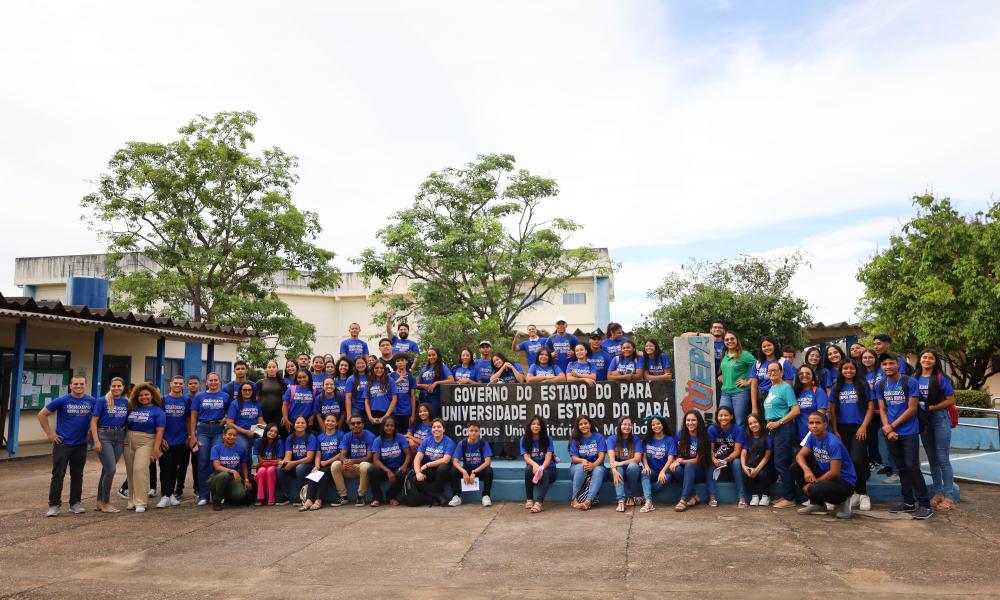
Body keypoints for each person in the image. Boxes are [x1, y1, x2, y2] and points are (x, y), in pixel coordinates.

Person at [877, 353, 932, 519]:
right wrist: (888, 429)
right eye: (885, 364)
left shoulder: (909, 382)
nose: (888, 366)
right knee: (901, 468)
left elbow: (912, 409)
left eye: (891, 363)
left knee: (912, 467)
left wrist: (892, 426)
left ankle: (925, 505)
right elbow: (883, 409)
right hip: (891, 432)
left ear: (898, 364)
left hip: (908, 432)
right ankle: (908, 503)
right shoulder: (880, 384)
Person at [38, 375, 95, 517]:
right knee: (58, 475)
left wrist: (90, 433)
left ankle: (75, 503)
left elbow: (96, 419)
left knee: (77, 475)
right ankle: (54, 505)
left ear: (85, 385)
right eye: (75, 384)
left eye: (81, 384)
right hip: (62, 444)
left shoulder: (91, 401)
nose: (79, 386)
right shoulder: (63, 400)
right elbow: (42, 415)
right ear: (70, 386)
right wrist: (50, 435)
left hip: (81, 444)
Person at [827, 360, 873, 511]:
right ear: (841, 370)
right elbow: (832, 411)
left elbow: (870, 408)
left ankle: (863, 493)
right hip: (841, 429)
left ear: (856, 370)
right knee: (845, 463)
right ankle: (852, 493)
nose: (848, 371)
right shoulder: (836, 387)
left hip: (859, 428)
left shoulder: (862, 384)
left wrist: (864, 426)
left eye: (851, 368)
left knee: (857, 459)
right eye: (845, 368)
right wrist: (835, 430)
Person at [915, 350, 957, 513]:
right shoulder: (915, 378)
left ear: (935, 361)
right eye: (924, 357)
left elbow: (951, 400)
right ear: (920, 359)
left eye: (930, 358)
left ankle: (949, 496)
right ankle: (938, 493)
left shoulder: (941, 378)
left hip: (939, 418)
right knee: (932, 458)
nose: (927, 360)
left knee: (942, 458)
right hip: (924, 420)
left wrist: (932, 407)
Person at [793, 412, 856, 519]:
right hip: (826, 475)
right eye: (811, 423)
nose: (814, 426)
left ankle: (843, 502)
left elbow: (835, 473)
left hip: (844, 481)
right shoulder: (812, 436)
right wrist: (807, 470)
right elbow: (800, 455)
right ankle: (817, 504)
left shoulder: (833, 442)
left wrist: (815, 483)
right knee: (795, 468)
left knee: (813, 488)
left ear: (825, 424)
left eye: (818, 423)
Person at [761, 362, 800, 509]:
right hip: (774, 428)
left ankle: (790, 498)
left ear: (781, 372)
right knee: (779, 462)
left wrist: (779, 422)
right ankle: (785, 495)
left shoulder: (786, 387)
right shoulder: (772, 388)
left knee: (781, 462)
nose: (772, 373)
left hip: (784, 428)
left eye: (775, 370)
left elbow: (795, 410)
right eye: (769, 371)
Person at [123, 383, 166, 513]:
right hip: (128, 441)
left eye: (147, 394)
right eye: (141, 395)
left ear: (152, 396)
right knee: (130, 471)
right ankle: (132, 500)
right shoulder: (132, 408)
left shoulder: (158, 411)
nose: (144, 397)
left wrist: (156, 449)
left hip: (147, 441)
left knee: (139, 469)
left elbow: (160, 431)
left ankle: (141, 502)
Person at [190, 372, 229, 506]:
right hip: (203, 431)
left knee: (216, 463)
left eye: (215, 380)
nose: (213, 382)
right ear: (206, 382)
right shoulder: (199, 396)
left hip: (218, 431)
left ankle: (217, 494)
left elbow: (230, 414)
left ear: (219, 382)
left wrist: (224, 421)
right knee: (202, 463)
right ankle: (204, 495)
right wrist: (192, 435)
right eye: (210, 380)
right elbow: (193, 417)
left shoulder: (225, 396)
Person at [90, 377, 128, 513]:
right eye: (114, 386)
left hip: (120, 436)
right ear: (110, 386)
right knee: (111, 469)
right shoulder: (102, 401)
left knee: (106, 470)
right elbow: (94, 421)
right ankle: (106, 503)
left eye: (119, 386)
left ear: (123, 387)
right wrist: (95, 441)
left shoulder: (125, 401)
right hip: (104, 435)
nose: (116, 388)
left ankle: (100, 502)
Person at [157, 375, 191, 509]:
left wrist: (189, 436)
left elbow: (188, 419)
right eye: (175, 383)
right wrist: (160, 438)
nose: (177, 385)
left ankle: (171, 494)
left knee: (175, 468)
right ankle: (164, 495)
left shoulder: (187, 400)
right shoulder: (163, 400)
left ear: (184, 386)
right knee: (165, 467)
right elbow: (158, 420)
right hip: (166, 439)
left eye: (180, 383)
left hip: (181, 439)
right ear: (170, 384)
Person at [671, 410, 715, 511]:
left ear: (698, 421)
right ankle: (693, 495)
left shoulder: (704, 436)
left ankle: (684, 499)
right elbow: (674, 454)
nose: (690, 423)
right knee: (676, 469)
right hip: (685, 471)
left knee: (689, 465)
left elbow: (698, 460)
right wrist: (675, 461)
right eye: (688, 420)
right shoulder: (680, 434)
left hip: (699, 470)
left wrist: (681, 461)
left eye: (693, 420)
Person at [300, 414, 345, 511]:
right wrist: (316, 466)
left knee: (324, 472)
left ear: (336, 423)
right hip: (322, 463)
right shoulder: (320, 437)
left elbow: (341, 454)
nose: (330, 423)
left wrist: (327, 462)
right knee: (314, 473)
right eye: (328, 421)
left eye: (333, 421)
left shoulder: (341, 435)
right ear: (324, 422)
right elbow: (318, 454)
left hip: (335, 464)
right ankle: (308, 500)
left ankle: (319, 500)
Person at [708, 406, 748, 508]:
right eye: (720, 416)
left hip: (730, 459)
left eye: (726, 415)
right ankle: (712, 497)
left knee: (736, 462)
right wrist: (713, 459)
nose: (723, 418)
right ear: (717, 417)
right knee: (709, 463)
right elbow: (710, 449)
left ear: (731, 416)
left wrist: (727, 460)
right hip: (717, 459)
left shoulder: (737, 429)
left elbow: (737, 451)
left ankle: (742, 497)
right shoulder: (712, 429)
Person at [332, 415, 376, 505]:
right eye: (353, 423)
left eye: (358, 423)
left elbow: (369, 457)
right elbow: (342, 455)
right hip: (352, 467)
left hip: (364, 468)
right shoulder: (347, 436)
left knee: (364, 464)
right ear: (349, 426)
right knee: (335, 464)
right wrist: (345, 461)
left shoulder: (370, 436)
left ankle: (361, 496)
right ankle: (343, 497)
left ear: (363, 425)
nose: (355, 425)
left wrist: (352, 461)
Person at [448, 422, 494, 506]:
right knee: (453, 470)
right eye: (471, 430)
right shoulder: (462, 443)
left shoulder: (483, 443)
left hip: (478, 471)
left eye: (476, 431)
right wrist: (464, 472)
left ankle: (486, 495)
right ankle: (456, 496)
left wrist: (474, 472)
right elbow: (455, 461)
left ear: (479, 432)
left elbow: (488, 461)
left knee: (489, 470)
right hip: (466, 471)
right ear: (467, 431)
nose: (473, 433)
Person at [369, 418, 412, 507]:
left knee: (402, 474)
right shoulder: (378, 440)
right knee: (372, 470)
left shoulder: (400, 437)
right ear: (383, 427)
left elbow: (408, 454)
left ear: (395, 427)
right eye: (387, 426)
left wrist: (404, 465)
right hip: (384, 469)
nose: (389, 428)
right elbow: (375, 459)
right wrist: (388, 471)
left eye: (391, 426)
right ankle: (377, 498)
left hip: (398, 468)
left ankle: (391, 496)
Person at [208, 425, 252, 511]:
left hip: (233, 478)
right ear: (224, 435)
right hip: (217, 477)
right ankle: (217, 500)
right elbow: (217, 467)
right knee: (225, 475)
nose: (232, 437)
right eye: (229, 434)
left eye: (234, 435)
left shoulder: (241, 449)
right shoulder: (216, 448)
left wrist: (246, 480)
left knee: (240, 494)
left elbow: (244, 466)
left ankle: (226, 496)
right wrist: (232, 471)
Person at [413, 418, 456, 506]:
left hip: (442, 470)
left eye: (439, 427)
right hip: (430, 470)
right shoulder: (427, 440)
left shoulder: (449, 442)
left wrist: (427, 465)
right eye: (434, 427)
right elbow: (417, 458)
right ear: (431, 429)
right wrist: (418, 472)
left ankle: (437, 496)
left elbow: (446, 460)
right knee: (415, 478)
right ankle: (439, 497)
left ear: (443, 429)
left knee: (442, 468)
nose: (436, 429)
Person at [639, 415, 676, 513]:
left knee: (665, 479)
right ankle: (648, 502)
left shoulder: (669, 440)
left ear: (663, 424)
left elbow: (670, 458)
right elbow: (643, 455)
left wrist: (663, 471)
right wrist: (646, 466)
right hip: (652, 470)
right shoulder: (647, 439)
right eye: (653, 425)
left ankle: (644, 496)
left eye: (658, 423)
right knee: (644, 473)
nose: (656, 426)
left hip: (666, 471)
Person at [750, 336, 796, 416]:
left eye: (769, 345)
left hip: (777, 399)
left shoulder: (783, 362)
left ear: (774, 345)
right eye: (764, 346)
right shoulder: (758, 363)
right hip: (760, 398)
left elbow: (789, 386)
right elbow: (753, 387)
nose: (766, 348)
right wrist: (754, 408)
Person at [277, 416, 317, 506]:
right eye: (298, 423)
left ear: (306, 425)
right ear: (294, 425)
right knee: (279, 468)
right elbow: (288, 457)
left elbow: (309, 458)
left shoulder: (311, 437)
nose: (300, 425)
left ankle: (302, 495)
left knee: (300, 468)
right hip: (295, 465)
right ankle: (285, 496)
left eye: (303, 423)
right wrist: (284, 462)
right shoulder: (290, 438)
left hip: (308, 465)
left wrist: (292, 463)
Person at [859, 348, 888, 474]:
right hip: (868, 411)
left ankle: (887, 463)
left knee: (883, 437)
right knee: (870, 437)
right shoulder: (860, 374)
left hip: (883, 410)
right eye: (864, 358)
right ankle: (872, 460)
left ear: (875, 359)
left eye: (870, 357)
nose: (867, 360)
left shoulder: (882, 371)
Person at [568, 416, 606, 510]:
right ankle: (574, 500)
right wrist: (582, 461)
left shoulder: (598, 437)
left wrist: (593, 465)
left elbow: (602, 457)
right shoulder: (575, 439)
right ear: (577, 426)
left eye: (585, 423)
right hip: (577, 467)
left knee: (599, 470)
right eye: (580, 424)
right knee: (582, 467)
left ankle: (588, 501)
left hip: (596, 465)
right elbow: (574, 458)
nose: (583, 426)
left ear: (590, 424)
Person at [719, 331, 757, 426]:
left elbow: (758, 367)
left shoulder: (745, 355)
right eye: (726, 339)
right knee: (723, 420)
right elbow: (724, 370)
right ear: (724, 342)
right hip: (725, 393)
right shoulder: (725, 355)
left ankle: (742, 441)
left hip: (740, 393)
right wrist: (721, 376)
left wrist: (748, 381)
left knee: (740, 422)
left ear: (737, 340)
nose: (729, 341)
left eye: (732, 339)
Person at [520, 416, 557, 513]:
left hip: (549, 469)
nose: (536, 426)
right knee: (528, 469)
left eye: (538, 424)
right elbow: (527, 458)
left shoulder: (548, 439)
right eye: (533, 424)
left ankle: (539, 503)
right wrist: (535, 465)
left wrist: (540, 469)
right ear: (529, 426)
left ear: (542, 427)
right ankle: (529, 499)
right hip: (533, 469)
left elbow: (548, 459)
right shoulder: (524, 439)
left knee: (544, 472)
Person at [607, 416, 643, 512]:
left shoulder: (636, 439)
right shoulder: (612, 439)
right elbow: (611, 458)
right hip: (616, 471)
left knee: (633, 466)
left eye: (629, 425)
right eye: (624, 424)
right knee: (618, 469)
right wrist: (614, 470)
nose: (627, 427)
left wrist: (621, 462)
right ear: (619, 426)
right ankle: (621, 501)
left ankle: (630, 496)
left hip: (632, 472)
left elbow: (637, 459)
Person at [741, 413, 773, 507]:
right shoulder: (748, 437)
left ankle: (765, 496)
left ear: (760, 422)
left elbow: (767, 457)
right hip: (751, 464)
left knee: (762, 474)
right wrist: (744, 466)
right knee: (745, 473)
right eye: (750, 423)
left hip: (765, 467)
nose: (753, 425)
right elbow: (743, 453)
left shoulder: (767, 437)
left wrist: (757, 470)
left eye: (755, 422)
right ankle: (754, 495)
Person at [226, 382, 265, 452]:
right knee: (244, 450)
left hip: (255, 433)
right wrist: (246, 432)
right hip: (240, 433)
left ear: (253, 391)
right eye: (244, 390)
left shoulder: (256, 403)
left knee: (258, 451)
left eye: (249, 390)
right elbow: (229, 423)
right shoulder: (235, 403)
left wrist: (269, 428)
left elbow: (261, 421)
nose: (247, 392)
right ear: (240, 391)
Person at [416, 347, 454, 418]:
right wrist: (423, 386)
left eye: (433, 355)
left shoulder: (442, 366)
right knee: (423, 418)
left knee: (432, 417)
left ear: (438, 355)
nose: (431, 357)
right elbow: (416, 384)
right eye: (429, 355)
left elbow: (451, 380)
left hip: (435, 397)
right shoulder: (424, 369)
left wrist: (436, 383)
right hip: (423, 397)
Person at [793, 366, 828, 442]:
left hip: (815, 434)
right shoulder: (794, 392)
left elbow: (821, 414)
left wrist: (811, 433)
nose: (804, 375)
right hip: (799, 433)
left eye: (808, 373)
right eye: (801, 373)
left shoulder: (819, 391)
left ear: (813, 377)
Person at [253, 423, 284, 506]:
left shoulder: (279, 442)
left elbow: (279, 461)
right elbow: (260, 461)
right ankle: (260, 498)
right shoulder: (258, 441)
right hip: (262, 467)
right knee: (262, 470)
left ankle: (271, 498)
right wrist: (268, 462)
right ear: (266, 431)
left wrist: (266, 462)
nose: (272, 433)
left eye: (275, 432)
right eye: (270, 431)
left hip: (273, 468)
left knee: (270, 470)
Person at [364, 361, 398, 434]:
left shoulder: (390, 380)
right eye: (376, 368)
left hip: (388, 413)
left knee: (388, 438)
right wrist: (370, 417)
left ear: (385, 369)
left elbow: (394, 399)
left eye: (381, 368)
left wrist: (385, 416)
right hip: (374, 414)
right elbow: (366, 401)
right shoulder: (369, 382)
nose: (379, 370)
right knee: (375, 437)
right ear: (373, 369)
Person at [258, 359, 288, 429]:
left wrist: (284, 415)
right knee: (265, 433)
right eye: (269, 367)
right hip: (265, 413)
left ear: (277, 369)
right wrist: (259, 415)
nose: (271, 369)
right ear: (266, 369)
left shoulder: (283, 382)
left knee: (277, 433)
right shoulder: (261, 382)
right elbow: (258, 399)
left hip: (279, 413)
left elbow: (285, 401)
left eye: (274, 367)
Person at [344, 356, 370, 426]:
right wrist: (349, 415)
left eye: (362, 363)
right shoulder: (351, 379)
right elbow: (348, 398)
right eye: (358, 363)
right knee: (356, 429)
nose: (360, 365)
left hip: (370, 408)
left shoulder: (371, 376)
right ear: (355, 365)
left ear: (366, 364)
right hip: (356, 409)